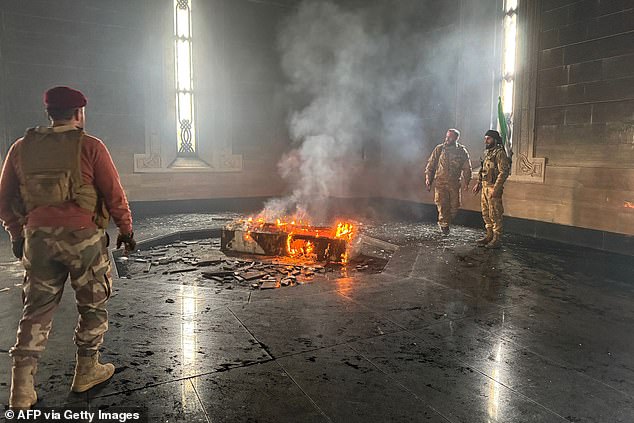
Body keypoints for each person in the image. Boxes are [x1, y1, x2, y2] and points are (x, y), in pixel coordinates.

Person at [0, 86, 136, 409]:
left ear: (49, 114)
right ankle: (86, 369)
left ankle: (21, 388)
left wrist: (17, 234)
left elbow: (3, 201)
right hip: (84, 241)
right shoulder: (91, 147)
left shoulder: (20, 148)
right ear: (79, 113)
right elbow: (115, 196)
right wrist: (127, 231)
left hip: (39, 242)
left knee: (35, 311)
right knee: (92, 303)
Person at [425, 128, 472, 235]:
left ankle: (446, 221)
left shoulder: (461, 151)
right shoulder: (439, 149)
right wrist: (428, 178)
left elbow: (467, 167)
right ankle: (444, 225)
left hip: (454, 184)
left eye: (450, 137)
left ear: (456, 138)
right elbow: (431, 165)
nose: (447, 139)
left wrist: (467, 182)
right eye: (447, 136)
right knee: (442, 205)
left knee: (454, 206)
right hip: (440, 183)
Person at [472, 129, 510, 248]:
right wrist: (478, 183)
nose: (486, 141)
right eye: (485, 138)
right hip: (485, 187)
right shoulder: (488, 153)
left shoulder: (499, 153)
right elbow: (483, 170)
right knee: (486, 213)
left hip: (493, 188)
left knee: (495, 213)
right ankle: (489, 236)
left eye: (488, 138)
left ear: (494, 139)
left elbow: (503, 172)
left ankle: (496, 239)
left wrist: (496, 188)